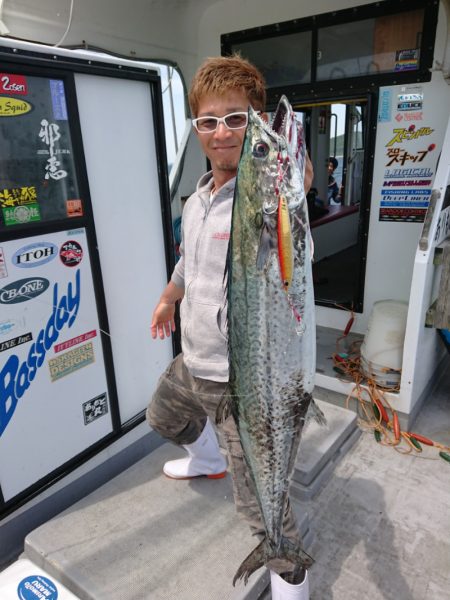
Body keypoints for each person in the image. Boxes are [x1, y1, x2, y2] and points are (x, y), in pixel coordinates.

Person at [146, 55, 314, 600]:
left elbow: (292, 244)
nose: (222, 132)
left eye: (237, 119)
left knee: (262, 503)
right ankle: (206, 458)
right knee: (162, 416)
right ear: (196, 128)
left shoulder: (268, 201)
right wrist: (173, 293)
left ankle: (289, 576)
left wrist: (294, 191)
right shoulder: (196, 200)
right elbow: (187, 263)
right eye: (209, 120)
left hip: (242, 383)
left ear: (255, 118)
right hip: (193, 359)